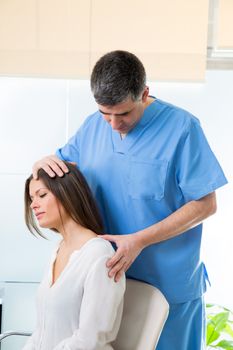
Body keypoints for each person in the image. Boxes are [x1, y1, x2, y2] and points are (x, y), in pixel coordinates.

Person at [33, 50, 227, 350]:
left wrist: (139, 240)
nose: (112, 124)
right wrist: (40, 164)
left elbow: (205, 204)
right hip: (104, 283)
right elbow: (56, 173)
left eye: (123, 114)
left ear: (144, 93)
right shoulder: (92, 127)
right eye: (104, 113)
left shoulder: (182, 129)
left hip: (168, 285)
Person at [23, 162, 125, 350]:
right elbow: (41, 330)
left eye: (42, 195)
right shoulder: (59, 249)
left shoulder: (99, 255)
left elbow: (90, 341)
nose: (33, 205)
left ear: (67, 193)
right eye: (31, 198)